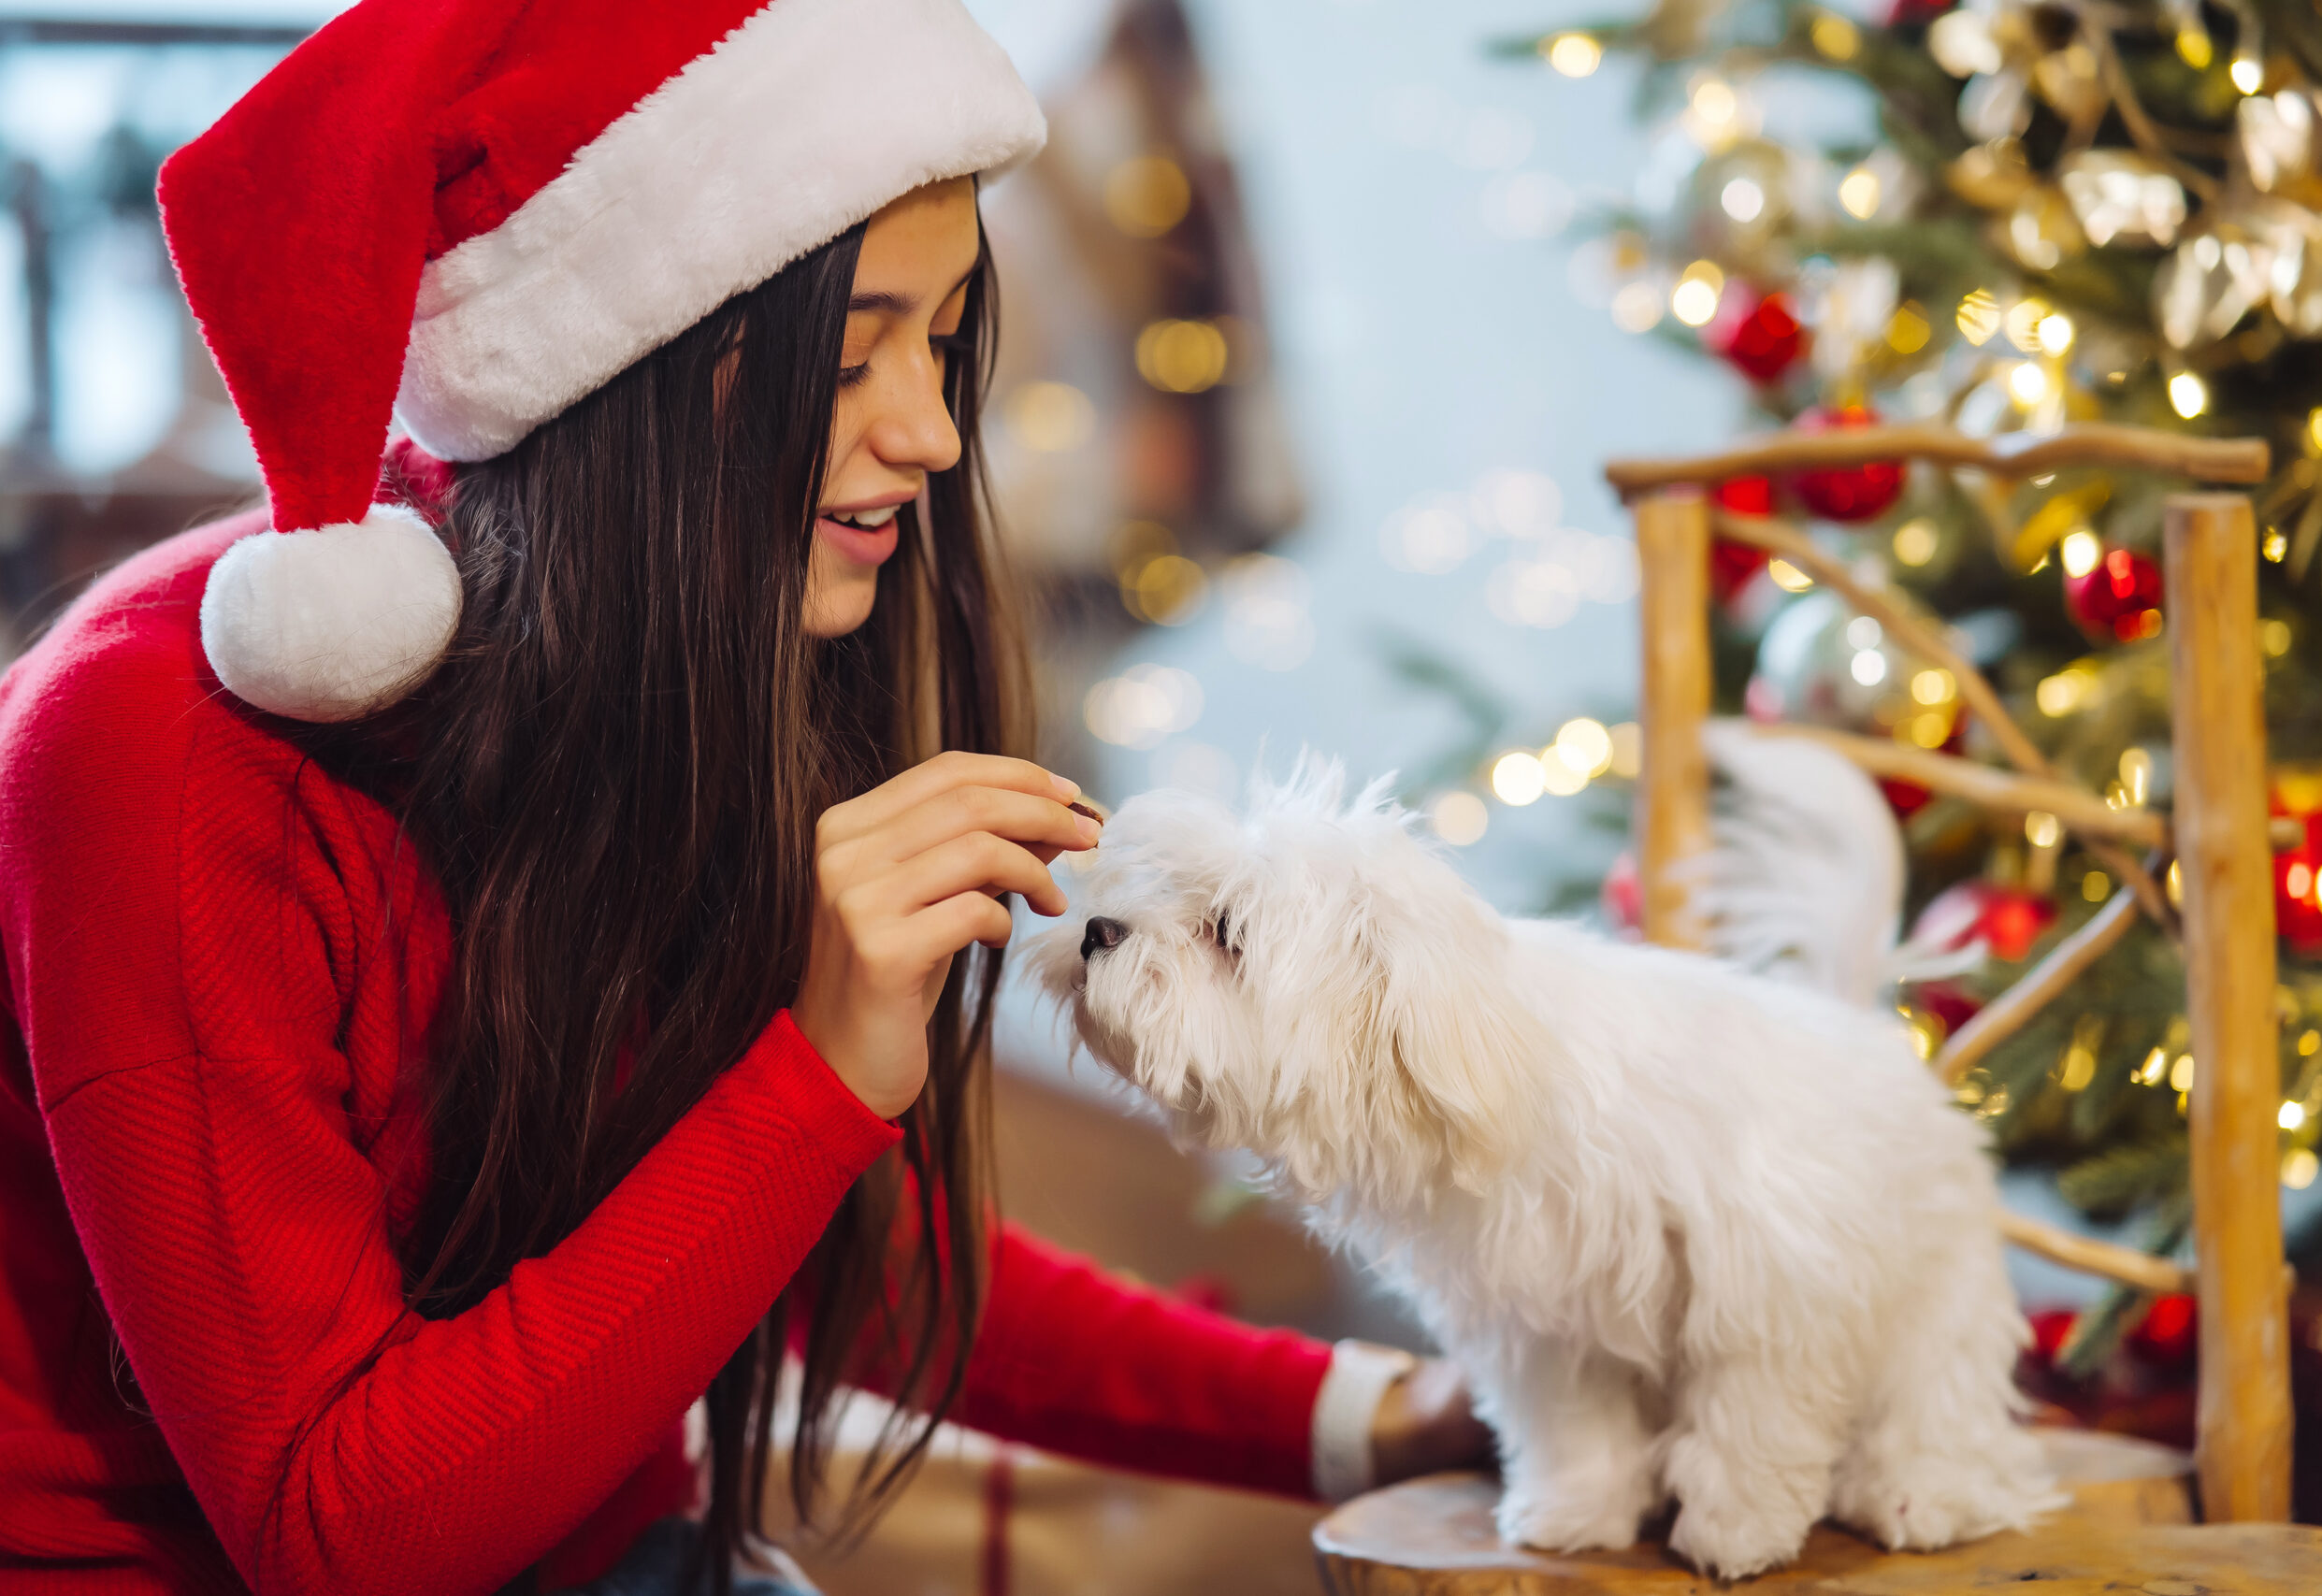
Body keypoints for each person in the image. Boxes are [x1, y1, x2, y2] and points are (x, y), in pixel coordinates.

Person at [0, 2, 1487, 1592]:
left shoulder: (687, 671)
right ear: (622, 371)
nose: (927, 432)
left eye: (946, 339)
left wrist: (1374, 1416)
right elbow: (338, 1531)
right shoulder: (158, 751)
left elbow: (791, 1247)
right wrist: (819, 1070)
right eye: (852, 357)